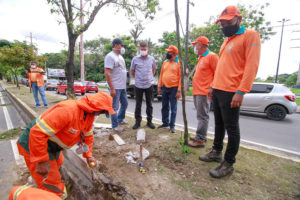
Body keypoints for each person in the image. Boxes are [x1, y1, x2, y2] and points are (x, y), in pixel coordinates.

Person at [199, 5, 261, 178]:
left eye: (228, 22)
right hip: (218, 89)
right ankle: (216, 151)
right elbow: (221, 67)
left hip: (231, 91)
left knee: (231, 128)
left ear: (238, 19)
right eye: (222, 23)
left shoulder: (250, 35)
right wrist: (212, 86)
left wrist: (241, 91)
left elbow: (251, 66)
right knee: (218, 124)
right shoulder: (227, 40)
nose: (224, 26)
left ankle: (228, 163)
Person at [16, 92, 115, 199]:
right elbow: (36, 133)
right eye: (102, 111)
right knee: (54, 189)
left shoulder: (88, 116)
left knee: (59, 162)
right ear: (95, 108)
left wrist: (88, 155)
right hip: (33, 145)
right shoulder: (68, 111)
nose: (100, 114)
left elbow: (88, 136)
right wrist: (41, 161)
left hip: (51, 147)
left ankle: (45, 181)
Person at [188, 36, 218, 148]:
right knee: (200, 115)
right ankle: (199, 135)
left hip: (204, 91)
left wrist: (212, 87)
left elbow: (217, 73)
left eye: (196, 45)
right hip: (197, 91)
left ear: (201, 45)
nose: (195, 48)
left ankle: (200, 139)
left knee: (203, 116)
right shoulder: (201, 57)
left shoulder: (212, 56)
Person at [130, 41, 157, 129]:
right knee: (138, 104)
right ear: (139, 49)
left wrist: (149, 78)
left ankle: (149, 121)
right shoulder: (135, 59)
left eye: (145, 49)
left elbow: (154, 70)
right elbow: (132, 71)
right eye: (142, 49)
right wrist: (139, 78)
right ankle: (137, 122)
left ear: (147, 49)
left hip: (149, 85)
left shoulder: (152, 59)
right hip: (138, 85)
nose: (143, 51)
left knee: (149, 104)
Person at [104, 38, 128, 133]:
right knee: (114, 107)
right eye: (121, 45)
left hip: (122, 86)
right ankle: (115, 125)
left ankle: (120, 119)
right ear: (115, 45)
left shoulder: (120, 57)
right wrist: (112, 88)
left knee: (125, 103)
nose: (122, 47)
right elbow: (107, 73)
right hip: (115, 86)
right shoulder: (110, 56)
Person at [157, 45, 181, 133]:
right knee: (164, 106)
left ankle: (172, 126)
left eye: (169, 52)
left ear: (174, 53)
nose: (167, 53)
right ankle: (165, 123)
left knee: (173, 108)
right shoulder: (165, 62)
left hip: (174, 88)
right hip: (164, 87)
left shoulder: (179, 63)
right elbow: (161, 75)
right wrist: (159, 86)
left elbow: (181, 78)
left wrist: (179, 90)